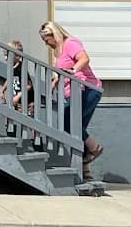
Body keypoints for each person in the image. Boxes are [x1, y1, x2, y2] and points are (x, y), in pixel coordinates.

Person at [39, 21, 103, 180]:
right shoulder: (57, 53)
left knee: (69, 121)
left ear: (53, 35)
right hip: (71, 92)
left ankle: (95, 148)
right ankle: (86, 171)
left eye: (47, 40)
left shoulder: (70, 43)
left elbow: (84, 59)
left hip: (87, 89)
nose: (47, 44)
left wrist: (73, 70)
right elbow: (60, 72)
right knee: (78, 129)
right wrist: (54, 84)